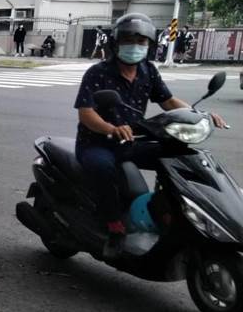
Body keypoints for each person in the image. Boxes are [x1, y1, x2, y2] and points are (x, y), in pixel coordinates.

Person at [73, 13, 227, 258]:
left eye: (141, 41)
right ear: (116, 43)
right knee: (102, 168)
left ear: (149, 45)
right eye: (128, 40)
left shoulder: (148, 71)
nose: (135, 46)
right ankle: (114, 227)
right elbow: (86, 113)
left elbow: (167, 101)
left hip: (131, 140)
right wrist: (111, 128)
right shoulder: (97, 73)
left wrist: (200, 114)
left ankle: (173, 211)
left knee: (181, 154)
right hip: (97, 142)